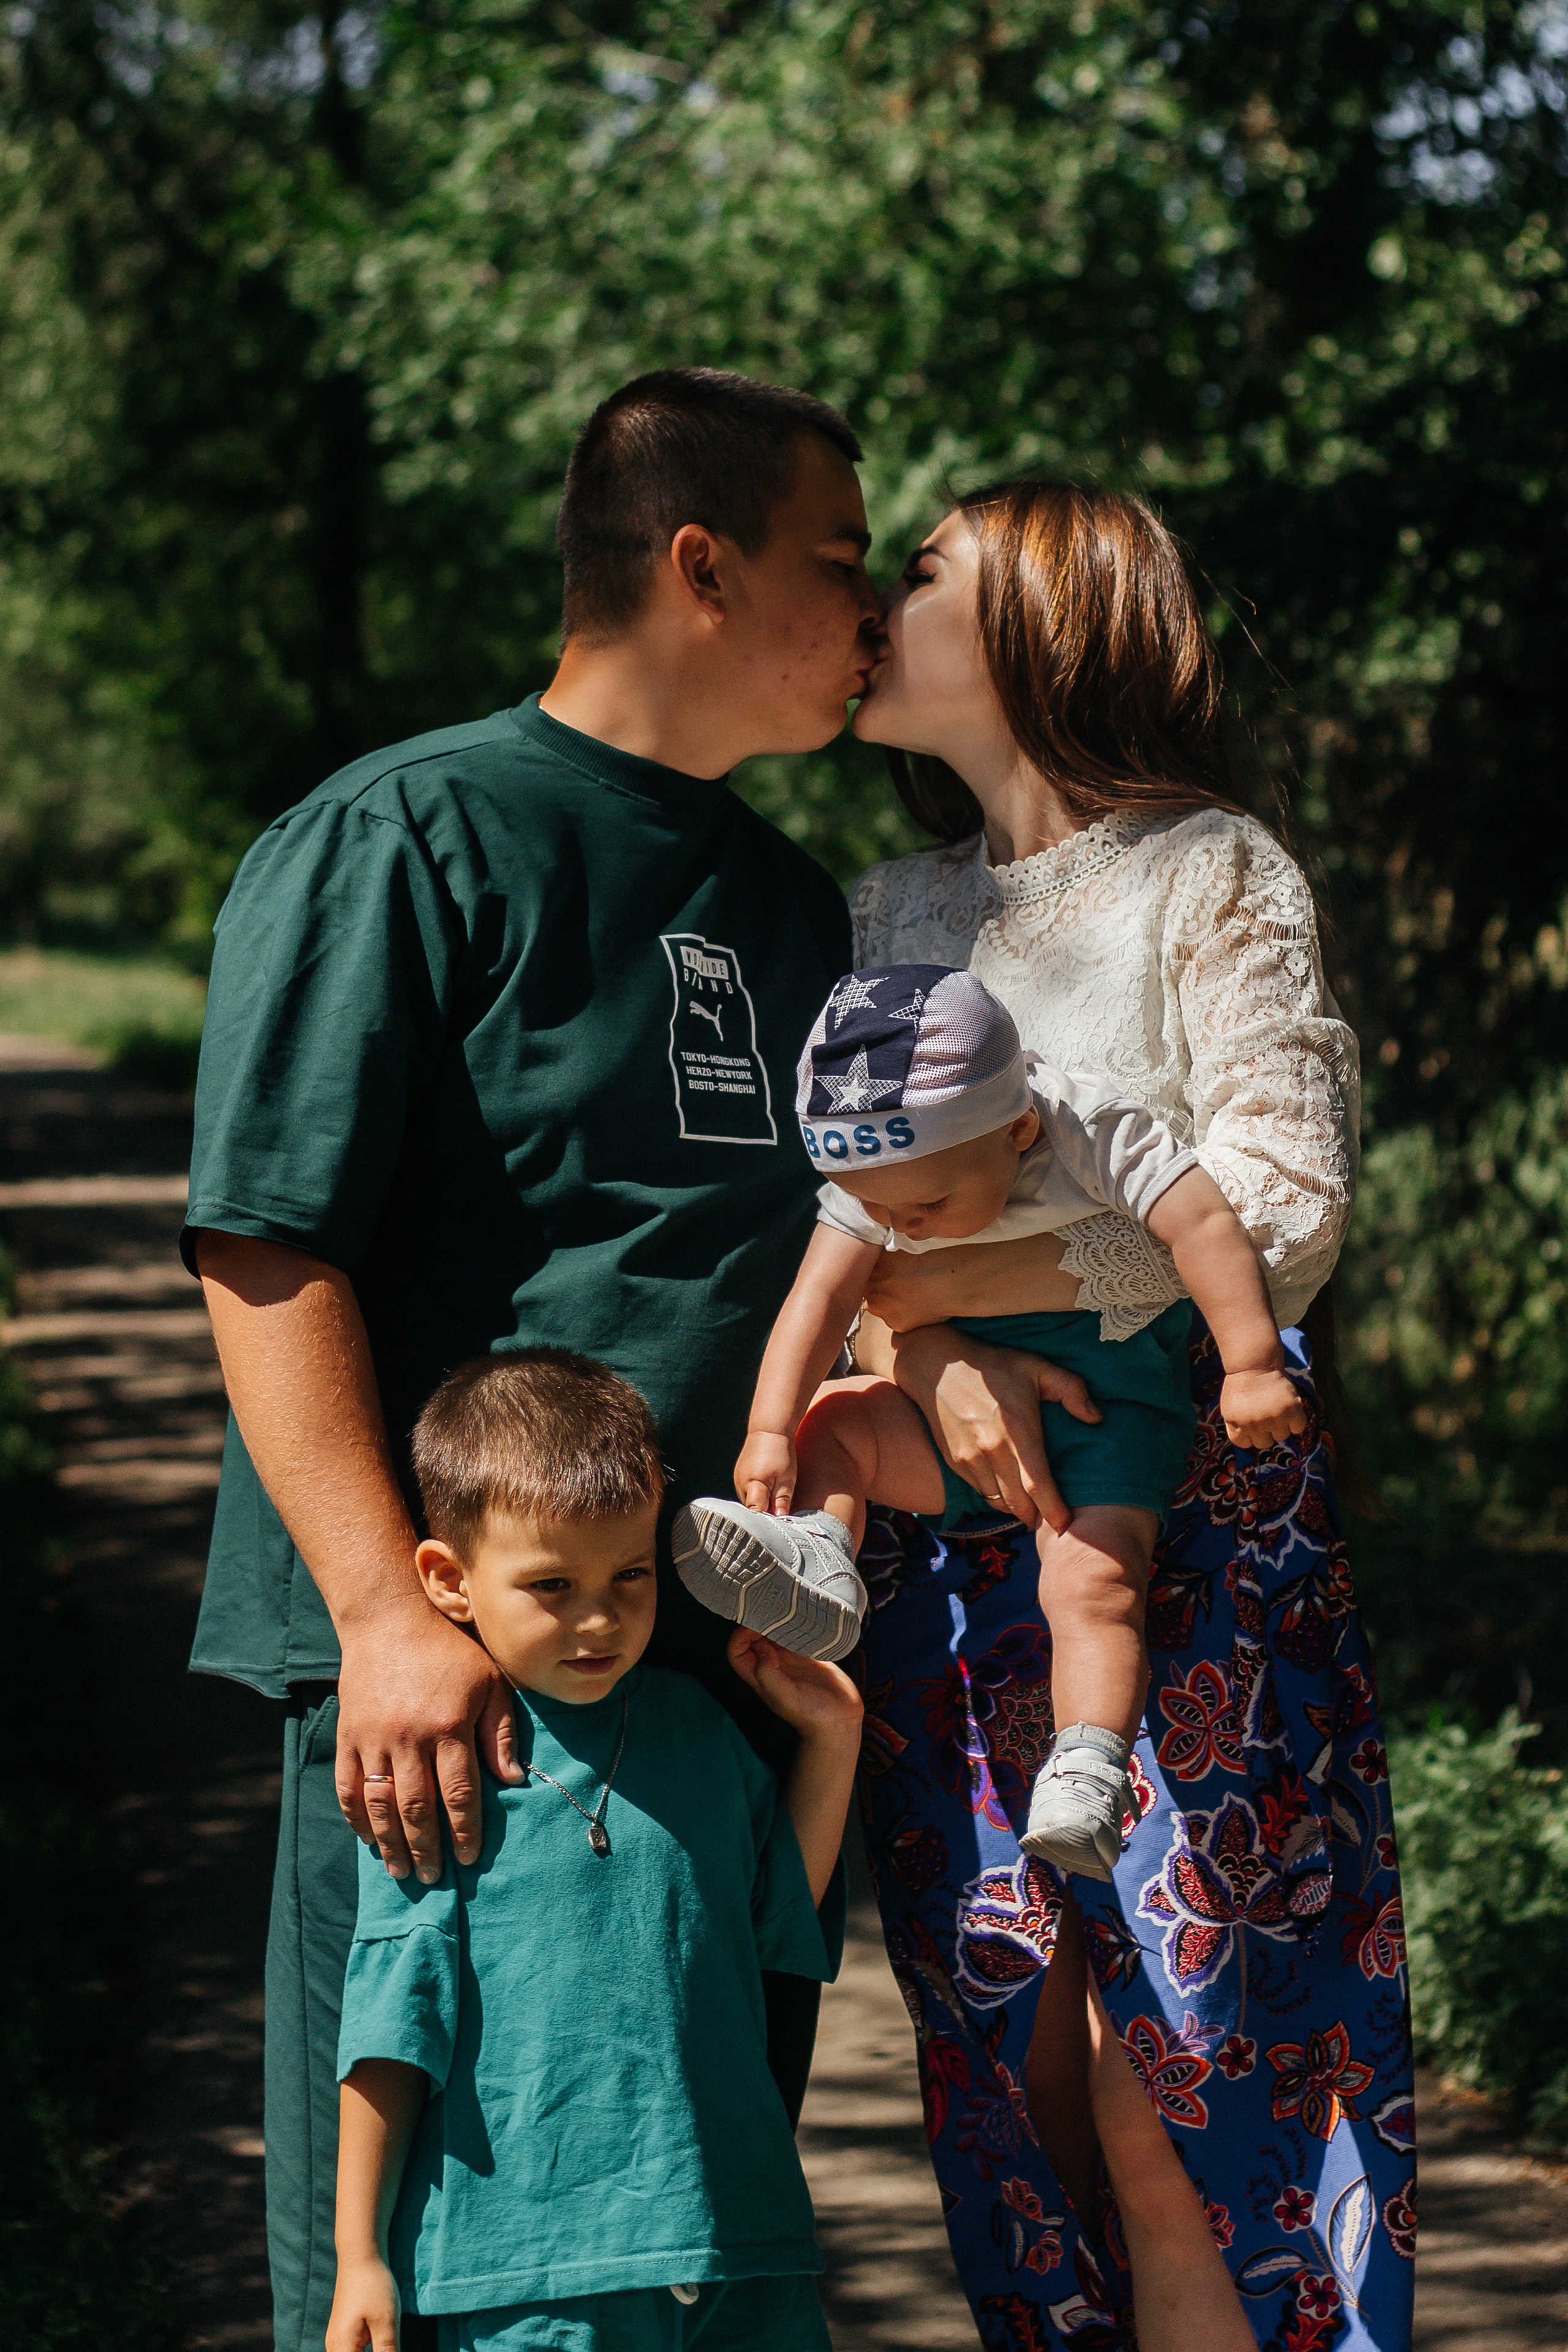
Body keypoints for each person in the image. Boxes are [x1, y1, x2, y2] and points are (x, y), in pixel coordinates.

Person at [184, 366, 881, 2352]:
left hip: (714, 1707)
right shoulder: (405, 835)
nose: (875, 622)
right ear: (701, 569)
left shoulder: (790, 902)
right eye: (841, 565)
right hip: (456, 1693)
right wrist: (382, 1624)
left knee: (693, 2251)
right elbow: (266, 1243)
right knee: (426, 2278)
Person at [835, 482, 1414, 2352]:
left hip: (1196, 1530)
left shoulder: (1209, 870)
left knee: (1200, 2061)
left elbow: (1287, 1205)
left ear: (1040, 621)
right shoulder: (895, 906)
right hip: (948, 1538)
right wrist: (918, 1349)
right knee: (1027, 2050)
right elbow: (855, 1217)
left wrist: (947, 1292)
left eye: (916, 574)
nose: (867, 600)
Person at [674, 963, 1308, 1879]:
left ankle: (1089, 1767)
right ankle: (819, 1552)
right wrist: (770, 1429)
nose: (903, 1227)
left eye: (924, 1208)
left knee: (1094, 1583)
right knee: (836, 1422)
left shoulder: (1089, 1124)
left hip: (1106, 1407)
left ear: (1017, 1130)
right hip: (948, 1413)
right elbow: (818, 1297)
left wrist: (1250, 1363)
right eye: (882, 1211)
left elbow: (1203, 1223)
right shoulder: (885, 1169)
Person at [324, 1349, 860, 2352]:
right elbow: (392, 2027)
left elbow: (775, 1923)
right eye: (552, 1585)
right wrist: (361, 2257)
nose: (601, 1618)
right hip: (525, 2274)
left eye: (631, 1575)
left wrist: (833, 1739)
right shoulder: (442, 1771)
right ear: (448, 1581)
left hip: (739, 2246)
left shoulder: (700, 1727)